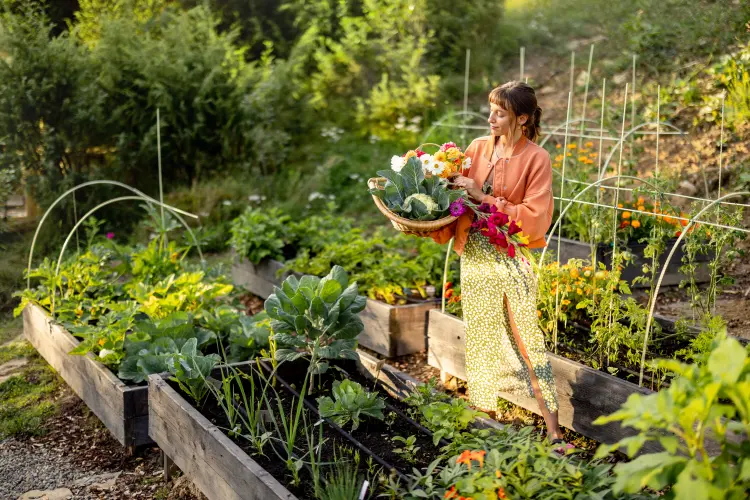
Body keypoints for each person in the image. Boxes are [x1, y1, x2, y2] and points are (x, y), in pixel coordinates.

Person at [430, 81, 563, 443]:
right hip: (474, 254)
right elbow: (455, 204)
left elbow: (534, 218)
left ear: (521, 118)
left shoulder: (537, 159)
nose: (490, 118)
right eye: (491, 109)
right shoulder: (475, 149)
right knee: (482, 336)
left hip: (510, 255)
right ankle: (483, 418)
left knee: (526, 338)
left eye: (500, 112)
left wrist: (482, 197)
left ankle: (553, 430)